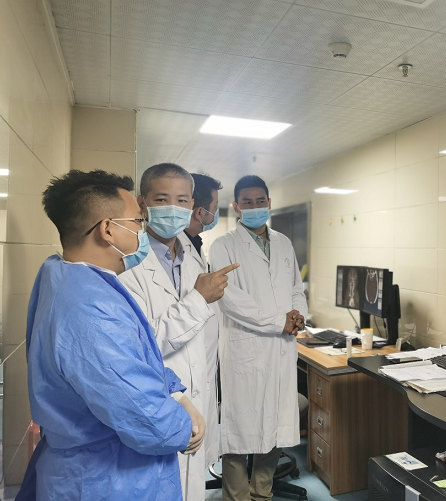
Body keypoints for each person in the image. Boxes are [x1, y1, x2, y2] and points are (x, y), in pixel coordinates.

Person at [23, 170, 203, 501]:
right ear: (107, 229)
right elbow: (145, 417)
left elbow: (132, 357)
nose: (142, 230)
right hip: (106, 479)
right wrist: (184, 426)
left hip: (96, 468)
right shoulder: (88, 308)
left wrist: (176, 393)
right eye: (137, 221)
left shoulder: (68, 277)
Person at [119, 163, 237, 501]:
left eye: (182, 200)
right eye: (162, 199)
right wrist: (199, 298)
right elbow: (142, 345)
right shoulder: (127, 265)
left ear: (192, 206)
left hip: (195, 399)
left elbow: (202, 342)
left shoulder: (193, 259)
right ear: (142, 203)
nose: (174, 208)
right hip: (162, 402)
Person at [210, 175, 307, 501]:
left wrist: (298, 315)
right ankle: (237, 497)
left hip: (281, 349)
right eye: (247, 202)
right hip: (245, 351)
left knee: (274, 429)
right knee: (239, 432)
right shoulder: (223, 246)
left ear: (269, 203)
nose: (254, 207)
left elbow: (295, 287)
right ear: (236, 206)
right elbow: (230, 300)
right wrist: (279, 322)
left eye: (260, 201)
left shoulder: (283, 243)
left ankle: (262, 494)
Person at [180, 172, 223, 468]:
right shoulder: (177, 249)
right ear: (201, 212)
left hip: (203, 358)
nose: (215, 214)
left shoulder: (195, 244)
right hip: (185, 366)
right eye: (215, 207)